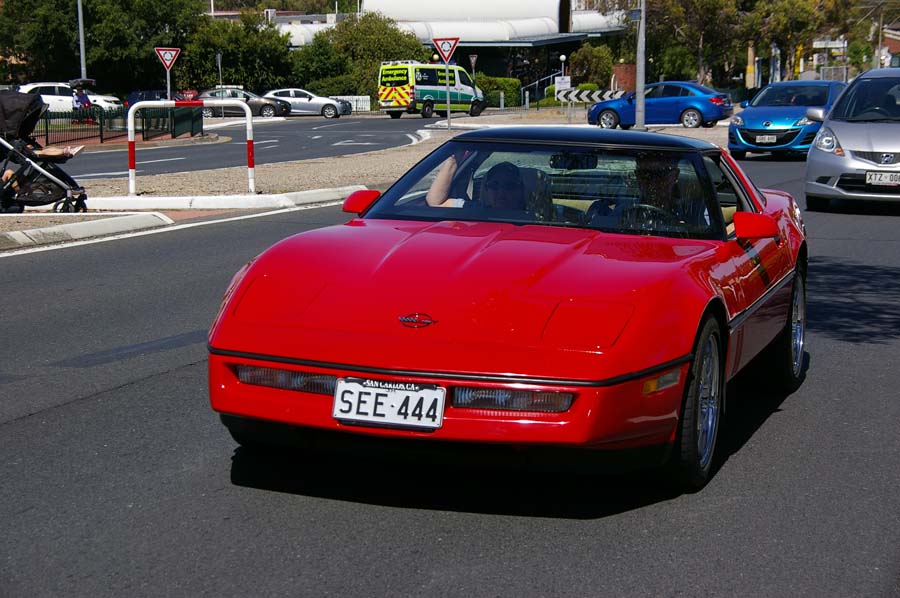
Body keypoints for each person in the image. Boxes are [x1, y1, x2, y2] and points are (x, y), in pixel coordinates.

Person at [427, 157, 525, 210]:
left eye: (509, 186)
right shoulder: (476, 210)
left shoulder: (531, 217)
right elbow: (435, 203)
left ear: (521, 190)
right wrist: (453, 160)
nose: (501, 192)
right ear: (486, 190)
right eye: (494, 186)